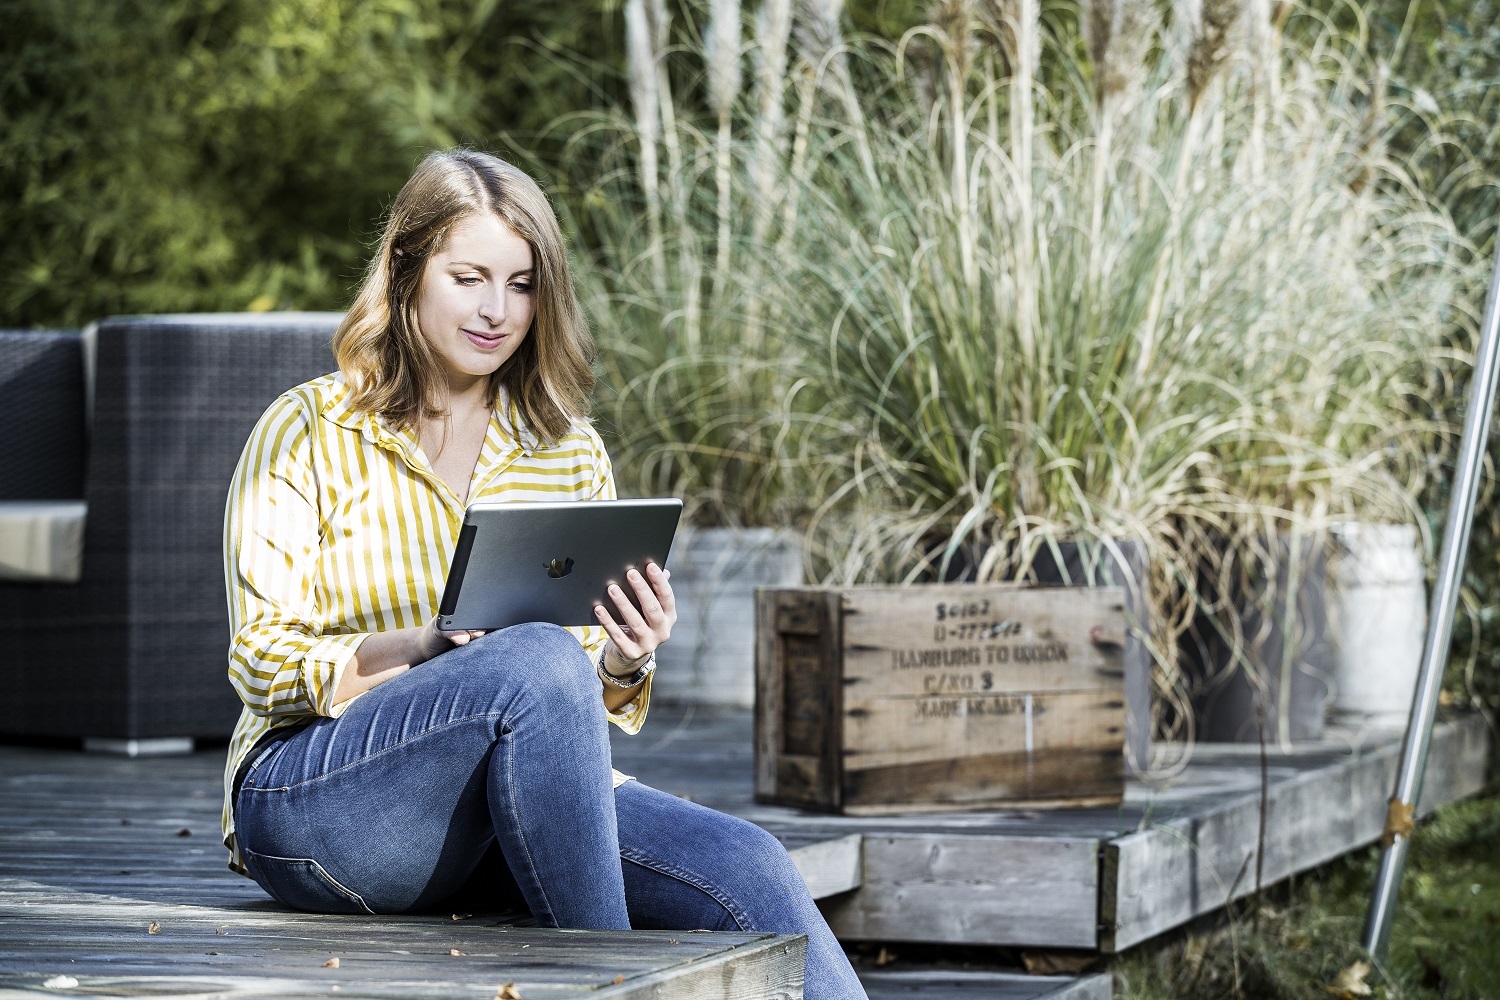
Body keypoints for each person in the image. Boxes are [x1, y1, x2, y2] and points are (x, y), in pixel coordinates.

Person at [219, 149, 867, 998]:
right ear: (407, 272)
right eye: (470, 277)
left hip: (491, 816)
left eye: (522, 284)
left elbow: (568, 708)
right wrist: (424, 649)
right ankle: (606, 981)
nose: (497, 310)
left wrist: (624, 659)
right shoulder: (306, 429)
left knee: (747, 865)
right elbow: (258, 662)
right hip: (314, 804)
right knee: (532, 657)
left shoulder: (565, 450)